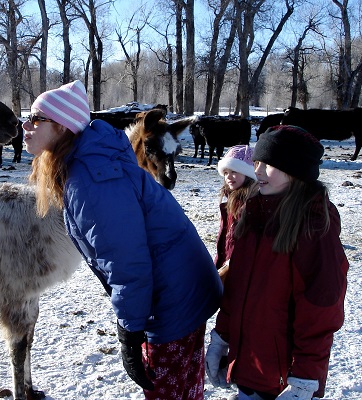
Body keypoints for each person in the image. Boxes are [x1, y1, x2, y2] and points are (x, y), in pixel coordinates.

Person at [23, 80, 223, 399]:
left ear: (61, 127)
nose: (26, 125)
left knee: (168, 393)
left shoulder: (92, 179)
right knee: (184, 389)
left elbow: (126, 262)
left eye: (36, 119)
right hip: (181, 288)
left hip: (172, 300)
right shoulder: (91, 161)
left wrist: (129, 330)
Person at [205, 125, 349, 400]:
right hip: (248, 365)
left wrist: (306, 377)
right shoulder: (252, 214)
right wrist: (222, 337)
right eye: (256, 162)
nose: (257, 172)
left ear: (295, 171)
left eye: (268, 164)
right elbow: (236, 289)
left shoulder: (313, 226)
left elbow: (321, 308)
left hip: (284, 378)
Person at [215, 145, 258, 283]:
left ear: (249, 173)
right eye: (226, 172)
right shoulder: (232, 200)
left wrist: (229, 265)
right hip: (227, 264)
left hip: (240, 270)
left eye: (234, 171)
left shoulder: (251, 204)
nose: (228, 177)